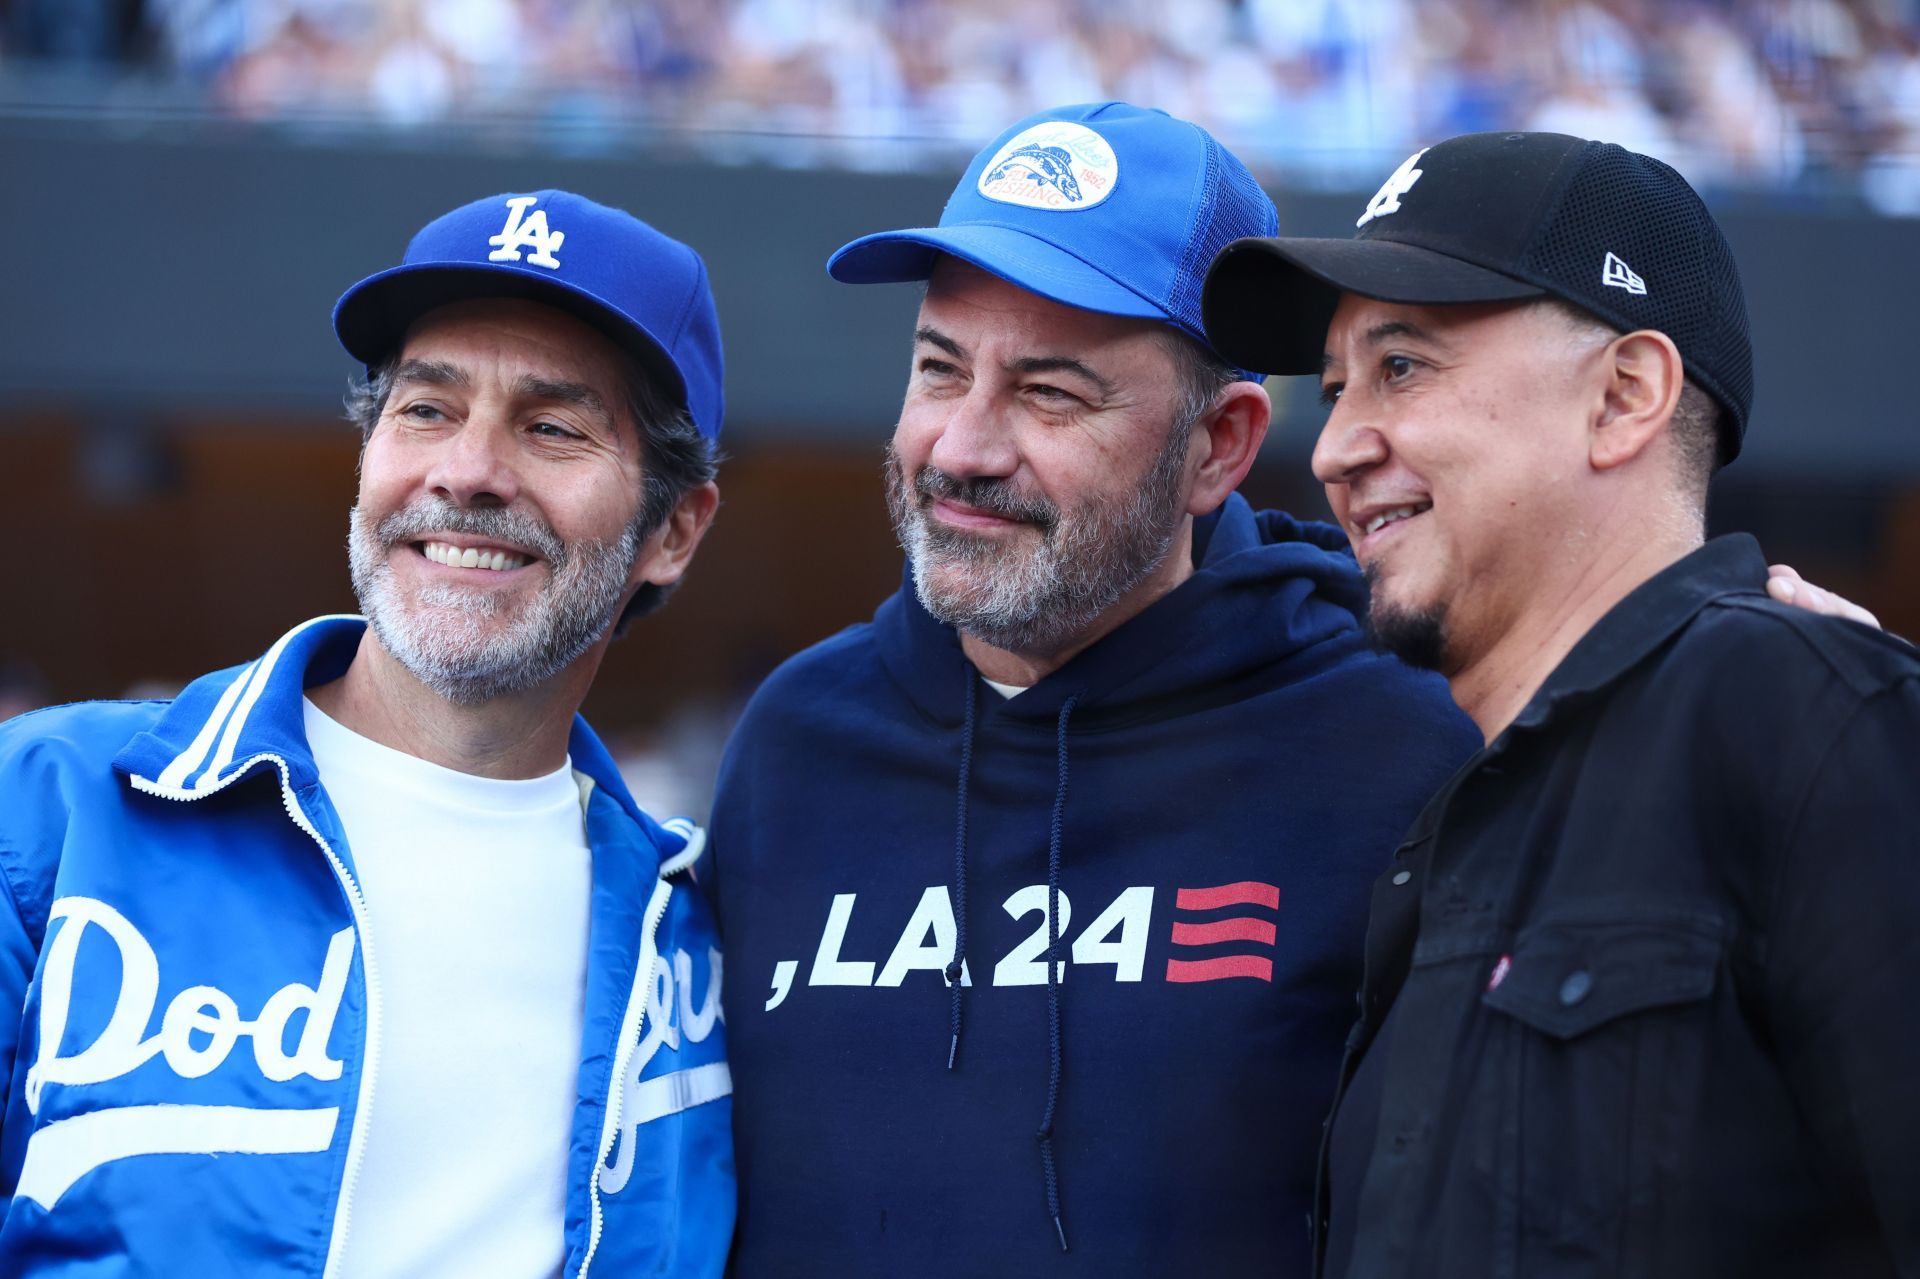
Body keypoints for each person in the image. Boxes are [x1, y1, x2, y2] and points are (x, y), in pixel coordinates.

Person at [708, 102, 1482, 1277]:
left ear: (1217, 446)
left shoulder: (1400, 745)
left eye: (1049, 393)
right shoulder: (797, 741)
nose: (962, 446)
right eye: (938, 369)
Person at [1202, 130, 1920, 1277]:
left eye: (1403, 366)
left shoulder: (1808, 712)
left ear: (1626, 397)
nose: (1333, 448)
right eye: (1334, 389)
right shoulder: (1449, 823)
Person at [0, 190, 735, 1277]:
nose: (467, 470)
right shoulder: (49, 808)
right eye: (426, 410)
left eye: (551, 427)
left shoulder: (701, 947)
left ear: (672, 529)